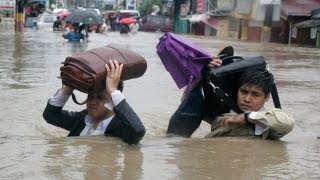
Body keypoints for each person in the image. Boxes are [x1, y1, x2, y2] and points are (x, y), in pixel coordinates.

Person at [167, 57, 295, 140]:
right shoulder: (220, 115)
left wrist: (245, 118)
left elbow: (287, 123)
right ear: (237, 90)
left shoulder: (268, 120)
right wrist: (200, 77)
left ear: (267, 97)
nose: (247, 99)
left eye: (255, 95)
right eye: (243, 91)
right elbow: (187, 105)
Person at [43, 60, 146, 144]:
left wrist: (113, 90)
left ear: (113, 100)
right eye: (90, 96)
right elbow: (50, 116)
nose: (92, 102)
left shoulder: (120, 126)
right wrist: (68, 88)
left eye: (100, 97)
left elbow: (138, 132)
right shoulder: (82, 118)